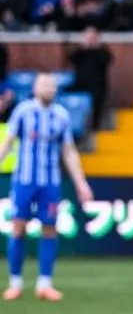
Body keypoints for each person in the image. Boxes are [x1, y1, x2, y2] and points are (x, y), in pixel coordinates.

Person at [0, 73, 93, 301]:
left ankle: (44, 283)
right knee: (18, 228)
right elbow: (9, 141)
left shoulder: (61, 116)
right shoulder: (23, 111)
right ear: (35, 88)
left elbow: (68, 150)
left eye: (52, 85)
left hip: (50, 182)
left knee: (49, 228)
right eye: (45, 85)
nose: (49, 89)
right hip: (24, 180)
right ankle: (15, 282)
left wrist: (81, 183)